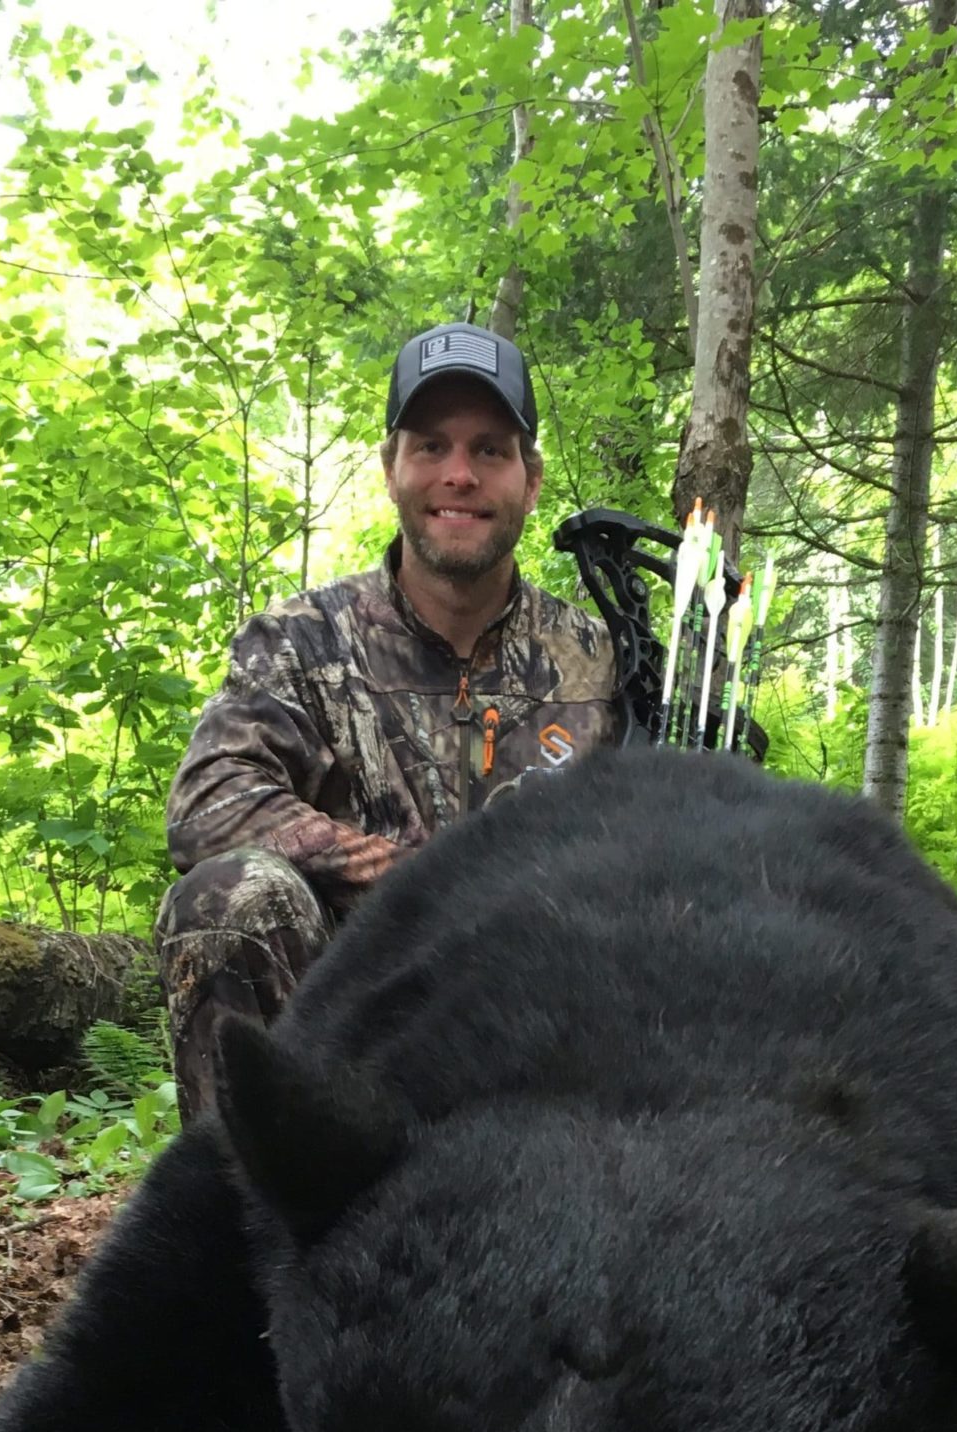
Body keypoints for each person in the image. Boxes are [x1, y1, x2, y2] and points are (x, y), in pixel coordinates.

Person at [157, 324, 621, 1119]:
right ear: (391, 469)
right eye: (431, 446)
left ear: (531, 480)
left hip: (549, 1029)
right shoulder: (303, 640)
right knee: (226, 899)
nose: (459, 475)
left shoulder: (600, 661)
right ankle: (252, 1219)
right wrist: (408, 880)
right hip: (357, 1028)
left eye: (490, 450)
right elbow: (208, 798)